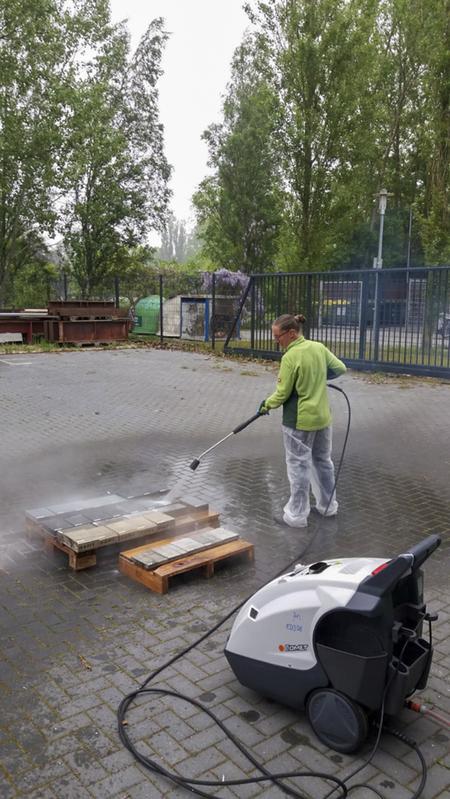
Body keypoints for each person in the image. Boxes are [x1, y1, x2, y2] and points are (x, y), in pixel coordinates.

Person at [260, 313, 346, 528]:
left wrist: (265, 405)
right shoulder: (318, 347)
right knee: (323, 463)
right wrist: (318, 378)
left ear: (291, 333)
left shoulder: (290, 357)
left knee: (298, 467)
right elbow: (340, 368)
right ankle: (328, 507)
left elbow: (282, 394)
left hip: (298, 422)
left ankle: (296, 517)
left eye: (278, 336)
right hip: (323, 419)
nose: (276, 341)